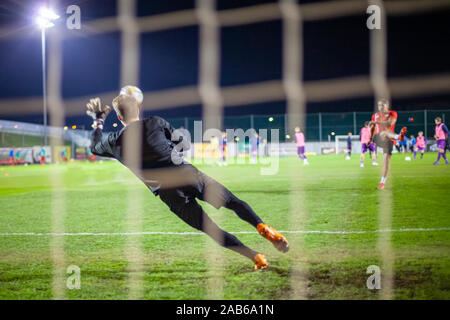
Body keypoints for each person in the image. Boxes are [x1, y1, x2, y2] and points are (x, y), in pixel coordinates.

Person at [86, 94, 289, 270]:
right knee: (233, 202)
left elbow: (94, 146)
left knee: (211, 229)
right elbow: (183, 143)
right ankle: (263, 227)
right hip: (186, 174)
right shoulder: (155, 122)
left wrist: (99, 120)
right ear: (138, 109)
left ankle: (255, 256)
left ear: (119, 117)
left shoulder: (114, 141)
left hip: (167, 192)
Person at [368, 99, 407, 190]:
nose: (380, 107)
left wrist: (376, 122)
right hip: (378, 138)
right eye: (379, 105)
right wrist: (370, 139)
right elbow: (373, 127)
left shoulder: (392, 113)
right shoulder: (375, 115)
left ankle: (382, 182)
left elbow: (390, 123)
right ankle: (398, 137)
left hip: (389, 140)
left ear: (387, 106)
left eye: (382, 105)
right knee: (383, 133)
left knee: (386, 161)